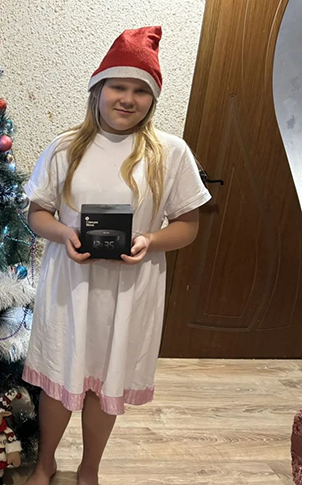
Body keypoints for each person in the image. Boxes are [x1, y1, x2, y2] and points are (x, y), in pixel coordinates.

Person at [22, 26, 212, 485]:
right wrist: (64, 233)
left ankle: (90, 468)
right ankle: (46, 463)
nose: (128, 99)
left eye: (140, 90)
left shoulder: (171, 153)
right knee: (59, 376)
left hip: (129, 289)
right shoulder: (66, 147)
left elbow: (188, 226)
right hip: (70, 285)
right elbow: (37, 213)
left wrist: (150, 241)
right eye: (118, 87)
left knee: (105, 383)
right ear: (98, 90)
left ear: (153, 98)